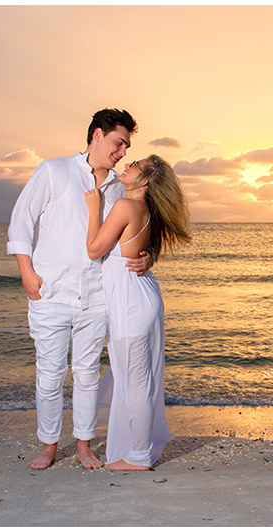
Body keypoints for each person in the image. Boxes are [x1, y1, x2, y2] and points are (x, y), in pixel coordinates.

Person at [7, 109, 153, 470]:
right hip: (50, 291)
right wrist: (26, 272)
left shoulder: (121, 188)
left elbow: (134, 233)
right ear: (97, 136)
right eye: (119, 143)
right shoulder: (53, 171)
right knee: (50, 373)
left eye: (127, 147)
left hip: (97, 295)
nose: (122, 152)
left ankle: (85, 446)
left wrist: (147, 256)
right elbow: (21, 220)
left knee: (87, 373)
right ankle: (49, 445)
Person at [84, 155, 191, 470]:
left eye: (135, 165)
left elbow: (93, 249)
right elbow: (145, 249)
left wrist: (93, 209)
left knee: (136, 383)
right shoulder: (143, 209)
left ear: (143, 181)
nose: (127, 164)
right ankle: (136, 450)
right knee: (137, 381)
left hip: (132, 304)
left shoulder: (125, 207)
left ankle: (139, 457)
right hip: (140, 297)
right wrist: (151, 258)